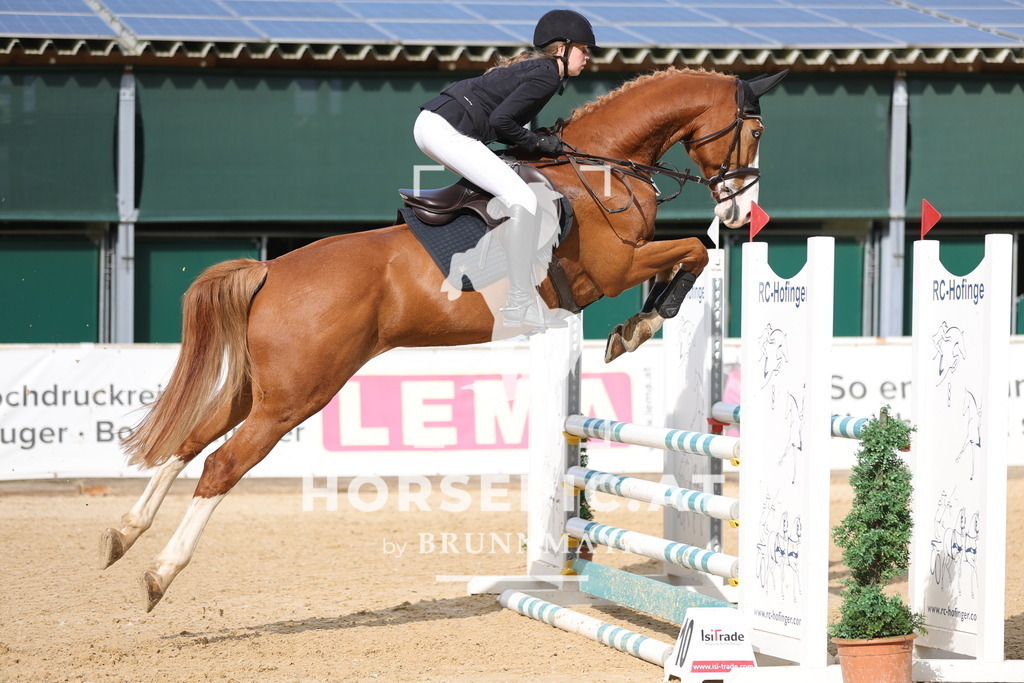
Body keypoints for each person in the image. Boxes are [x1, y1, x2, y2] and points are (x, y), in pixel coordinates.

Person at [413, 9, 597, 328]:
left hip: (436, 124)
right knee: (523, 200)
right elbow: (502, 122)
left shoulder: (539, 69)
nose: (588, 57)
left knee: (505, 184)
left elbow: (504, 124)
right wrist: (540, 145)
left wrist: (530, 141)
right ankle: (519, 300)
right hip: (447, 129)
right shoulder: (547, 74)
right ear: (561, 49)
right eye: (584, 49)